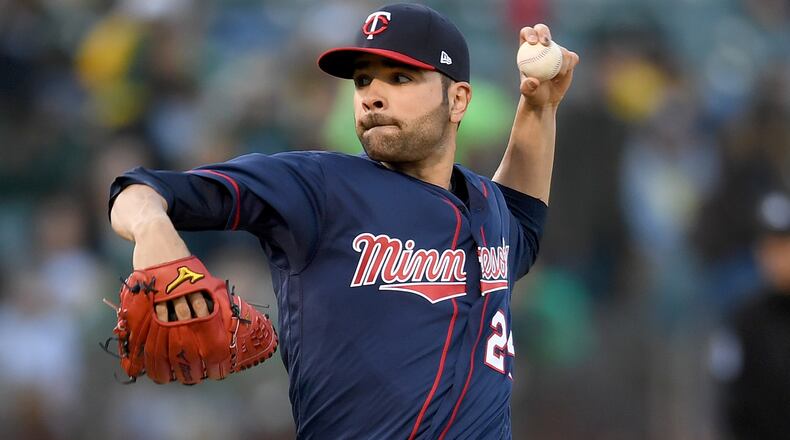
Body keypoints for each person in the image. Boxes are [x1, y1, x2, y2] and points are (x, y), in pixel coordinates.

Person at [108, 3, 579, 438]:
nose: (372, 95)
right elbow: (140, 189)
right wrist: (152, 230)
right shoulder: (317, 186)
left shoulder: (490, 206)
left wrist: (539, 106)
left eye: (400, 78)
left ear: (458, 100)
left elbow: (524, 216)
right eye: (362, 81)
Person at [713, 189, 790, 440]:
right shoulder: (744, 320)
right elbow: (730, 400)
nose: (779, 258)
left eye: (785, 246)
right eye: (770, 247)